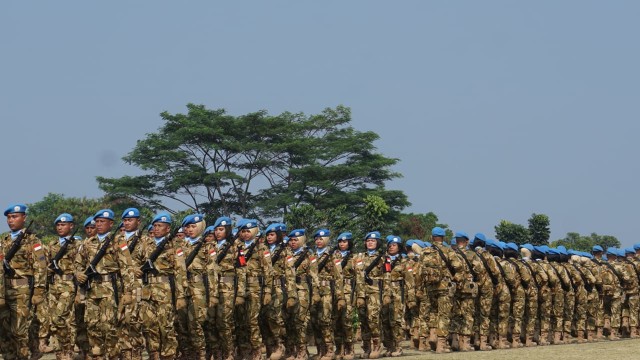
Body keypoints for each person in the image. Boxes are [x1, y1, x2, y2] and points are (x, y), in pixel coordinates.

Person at [74, 209, 134, 360]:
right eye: (97, 222)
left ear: (111, 224)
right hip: (92, 290)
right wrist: (78, 274)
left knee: (110, 328)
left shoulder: (120, 242)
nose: (99, 225)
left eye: (102, 222)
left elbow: (127, 269)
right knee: (93, 327)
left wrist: (128, 292)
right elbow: (77, 264)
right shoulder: (87, 243)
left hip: (110, 290)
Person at [134, 213, 188, 360]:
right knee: (149, 325)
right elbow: (133, 261)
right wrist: (136, 269)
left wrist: (181, 295)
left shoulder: (176, 245)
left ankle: (169, 355)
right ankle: (154, 354)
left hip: (166, 290)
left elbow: (180, 271)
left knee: (166, 326)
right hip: (147, 290)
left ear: (168, 228)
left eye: (160, 226)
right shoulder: (145, 244)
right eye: (155, 226)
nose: (156, 229)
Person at [0, 204, 47, 360]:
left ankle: (23, 356)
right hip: (4, 291)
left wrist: (39, 290)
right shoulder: (3, 240)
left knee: (20, 331)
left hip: (23, 292)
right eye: (9, 218)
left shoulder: (33, 240)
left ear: (24, 218)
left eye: (15, 217)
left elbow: (40, 267)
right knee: (4, 331)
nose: (11, 220)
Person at [235, 219, 273, 360]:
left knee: (252, 320)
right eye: (243, 231)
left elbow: (268, 271)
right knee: (241, 321)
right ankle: (245, 350)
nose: (245, 234)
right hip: (239, 288)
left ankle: (257, 350)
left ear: (255, 231)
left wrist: (268, 290)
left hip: (255, 287)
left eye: (248, 231)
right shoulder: (237, 247)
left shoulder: (262, 248)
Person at [47, 213, 82, 360]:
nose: (60, 227)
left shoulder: (79, 245)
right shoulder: (52, 244)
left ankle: (68, 348)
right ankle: (61, 352)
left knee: (60, 317)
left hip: (69, 285)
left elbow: (81, 267)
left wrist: (80, 291)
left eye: (63, 224)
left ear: (71, 226)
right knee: (56, 321)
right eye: (58, 225)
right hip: (54, 285)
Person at [260, 223, 297, 360]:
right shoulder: (262, 249)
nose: (269, 237)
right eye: (268, 235)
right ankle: (271, 347)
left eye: (272, 235)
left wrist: (292, 294)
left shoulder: (285, 251)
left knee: (277, 318)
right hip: (264, 288)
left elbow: (290, 274)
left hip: (279, 289)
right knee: (265, 319)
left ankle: (282, 346)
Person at [211, 216, 246, 360]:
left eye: (221, 229)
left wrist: (241, 293)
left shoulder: (237, 246)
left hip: (228, 287)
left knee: (225, 321)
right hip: (211, 288)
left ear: (228, 230)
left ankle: (229, 352)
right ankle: (216, 352)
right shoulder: (210, 246)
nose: (218, 232)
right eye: (216, 230)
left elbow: (242, 270)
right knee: (211, 321)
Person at [115, 208, 147, 360]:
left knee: (134, 323)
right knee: (119, 323)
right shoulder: (115, 240)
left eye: (130, 220)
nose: (127, 223)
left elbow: (152, 263)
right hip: (117, 287)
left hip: (136, 288)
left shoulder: (145, 241)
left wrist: (138, 269)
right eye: (125, 220)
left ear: (138, 222)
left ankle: (136, 355)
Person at [380, 235, 416, 357]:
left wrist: (411, 298)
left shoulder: (405, 262)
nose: (391, 247)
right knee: (385, 321)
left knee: (396, 321)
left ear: (399, 247)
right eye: (389, 245)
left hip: (398, 293)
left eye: (394, 245)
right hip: (384, 293)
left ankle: (398, 346)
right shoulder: (383, 260)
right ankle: (389, 346)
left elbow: (410, 281)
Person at [285, 229, 316, 360]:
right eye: (291, 240)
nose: (292, 242)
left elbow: (314, 275)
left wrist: (316, 292)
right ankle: (292, 349)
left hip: (302, 289)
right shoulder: (285, 254)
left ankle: (303, 350)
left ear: (302, 240)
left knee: (301, 320)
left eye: (295, 240)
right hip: (287, 290)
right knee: (289, 320)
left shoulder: (309, 255)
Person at [355, 231, 384, 359]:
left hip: (375, 291)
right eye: (368, 241)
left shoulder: (383, 257)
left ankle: (377, 346)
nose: (370, 243)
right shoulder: (359, 257)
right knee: (363, 320)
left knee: (373, 319)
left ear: (378, 243)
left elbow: (387, 277)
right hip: (361, 292)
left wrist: (387, 294)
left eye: (373, 241)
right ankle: (366, 347)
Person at [332, 232, 357, 360]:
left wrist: (359, 294)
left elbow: (359, 276)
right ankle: (339, 347)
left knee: (347, 320)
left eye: (345, 242)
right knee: (335, 321)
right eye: (340, 242)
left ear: (349, 243)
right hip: (334, 291)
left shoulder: (354, 257)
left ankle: (349, 348)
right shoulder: (332, 256)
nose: (342, 244)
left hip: (348, 290)